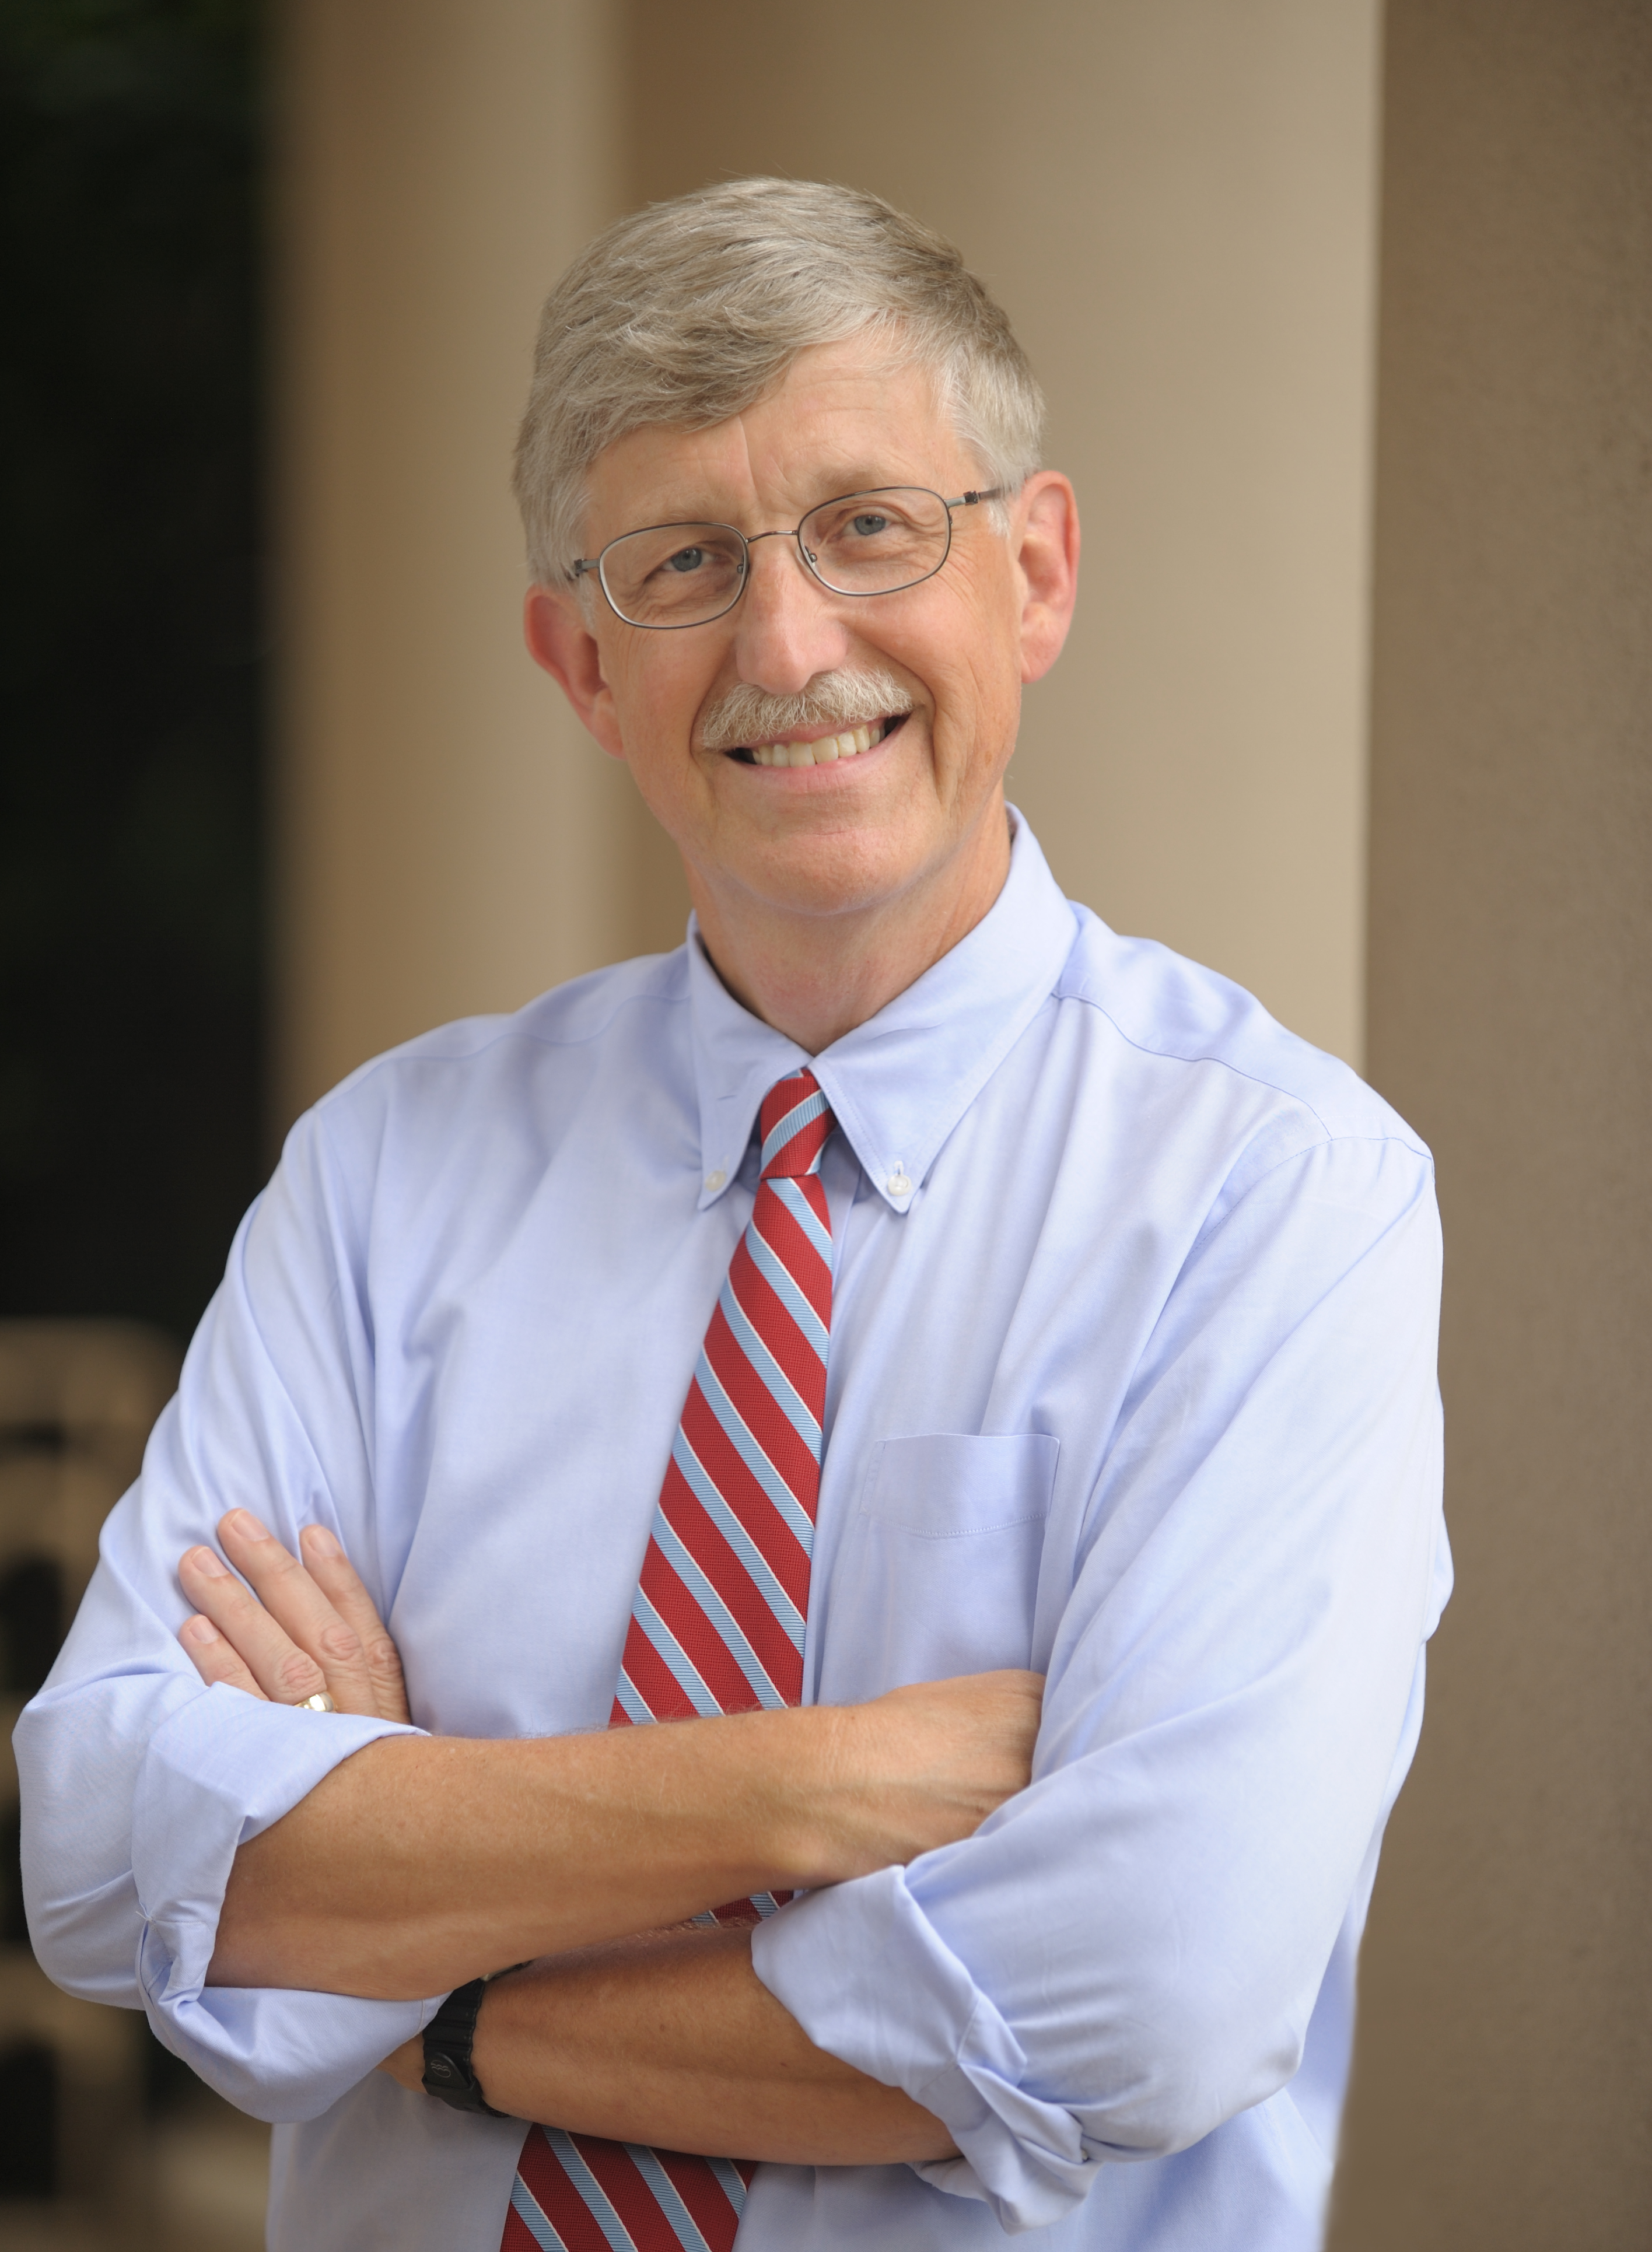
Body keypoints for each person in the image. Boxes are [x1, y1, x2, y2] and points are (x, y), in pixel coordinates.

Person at [18, 178, 1448, 2252]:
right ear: (580, 665)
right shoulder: (387, 1174)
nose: (789, 645)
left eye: (872, 526)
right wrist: (816, 1789)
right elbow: (103, 1844)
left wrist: (428, 1957)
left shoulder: (1278, 1194)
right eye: (685, 563)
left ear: (1034, 572)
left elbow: (1146, 1988)